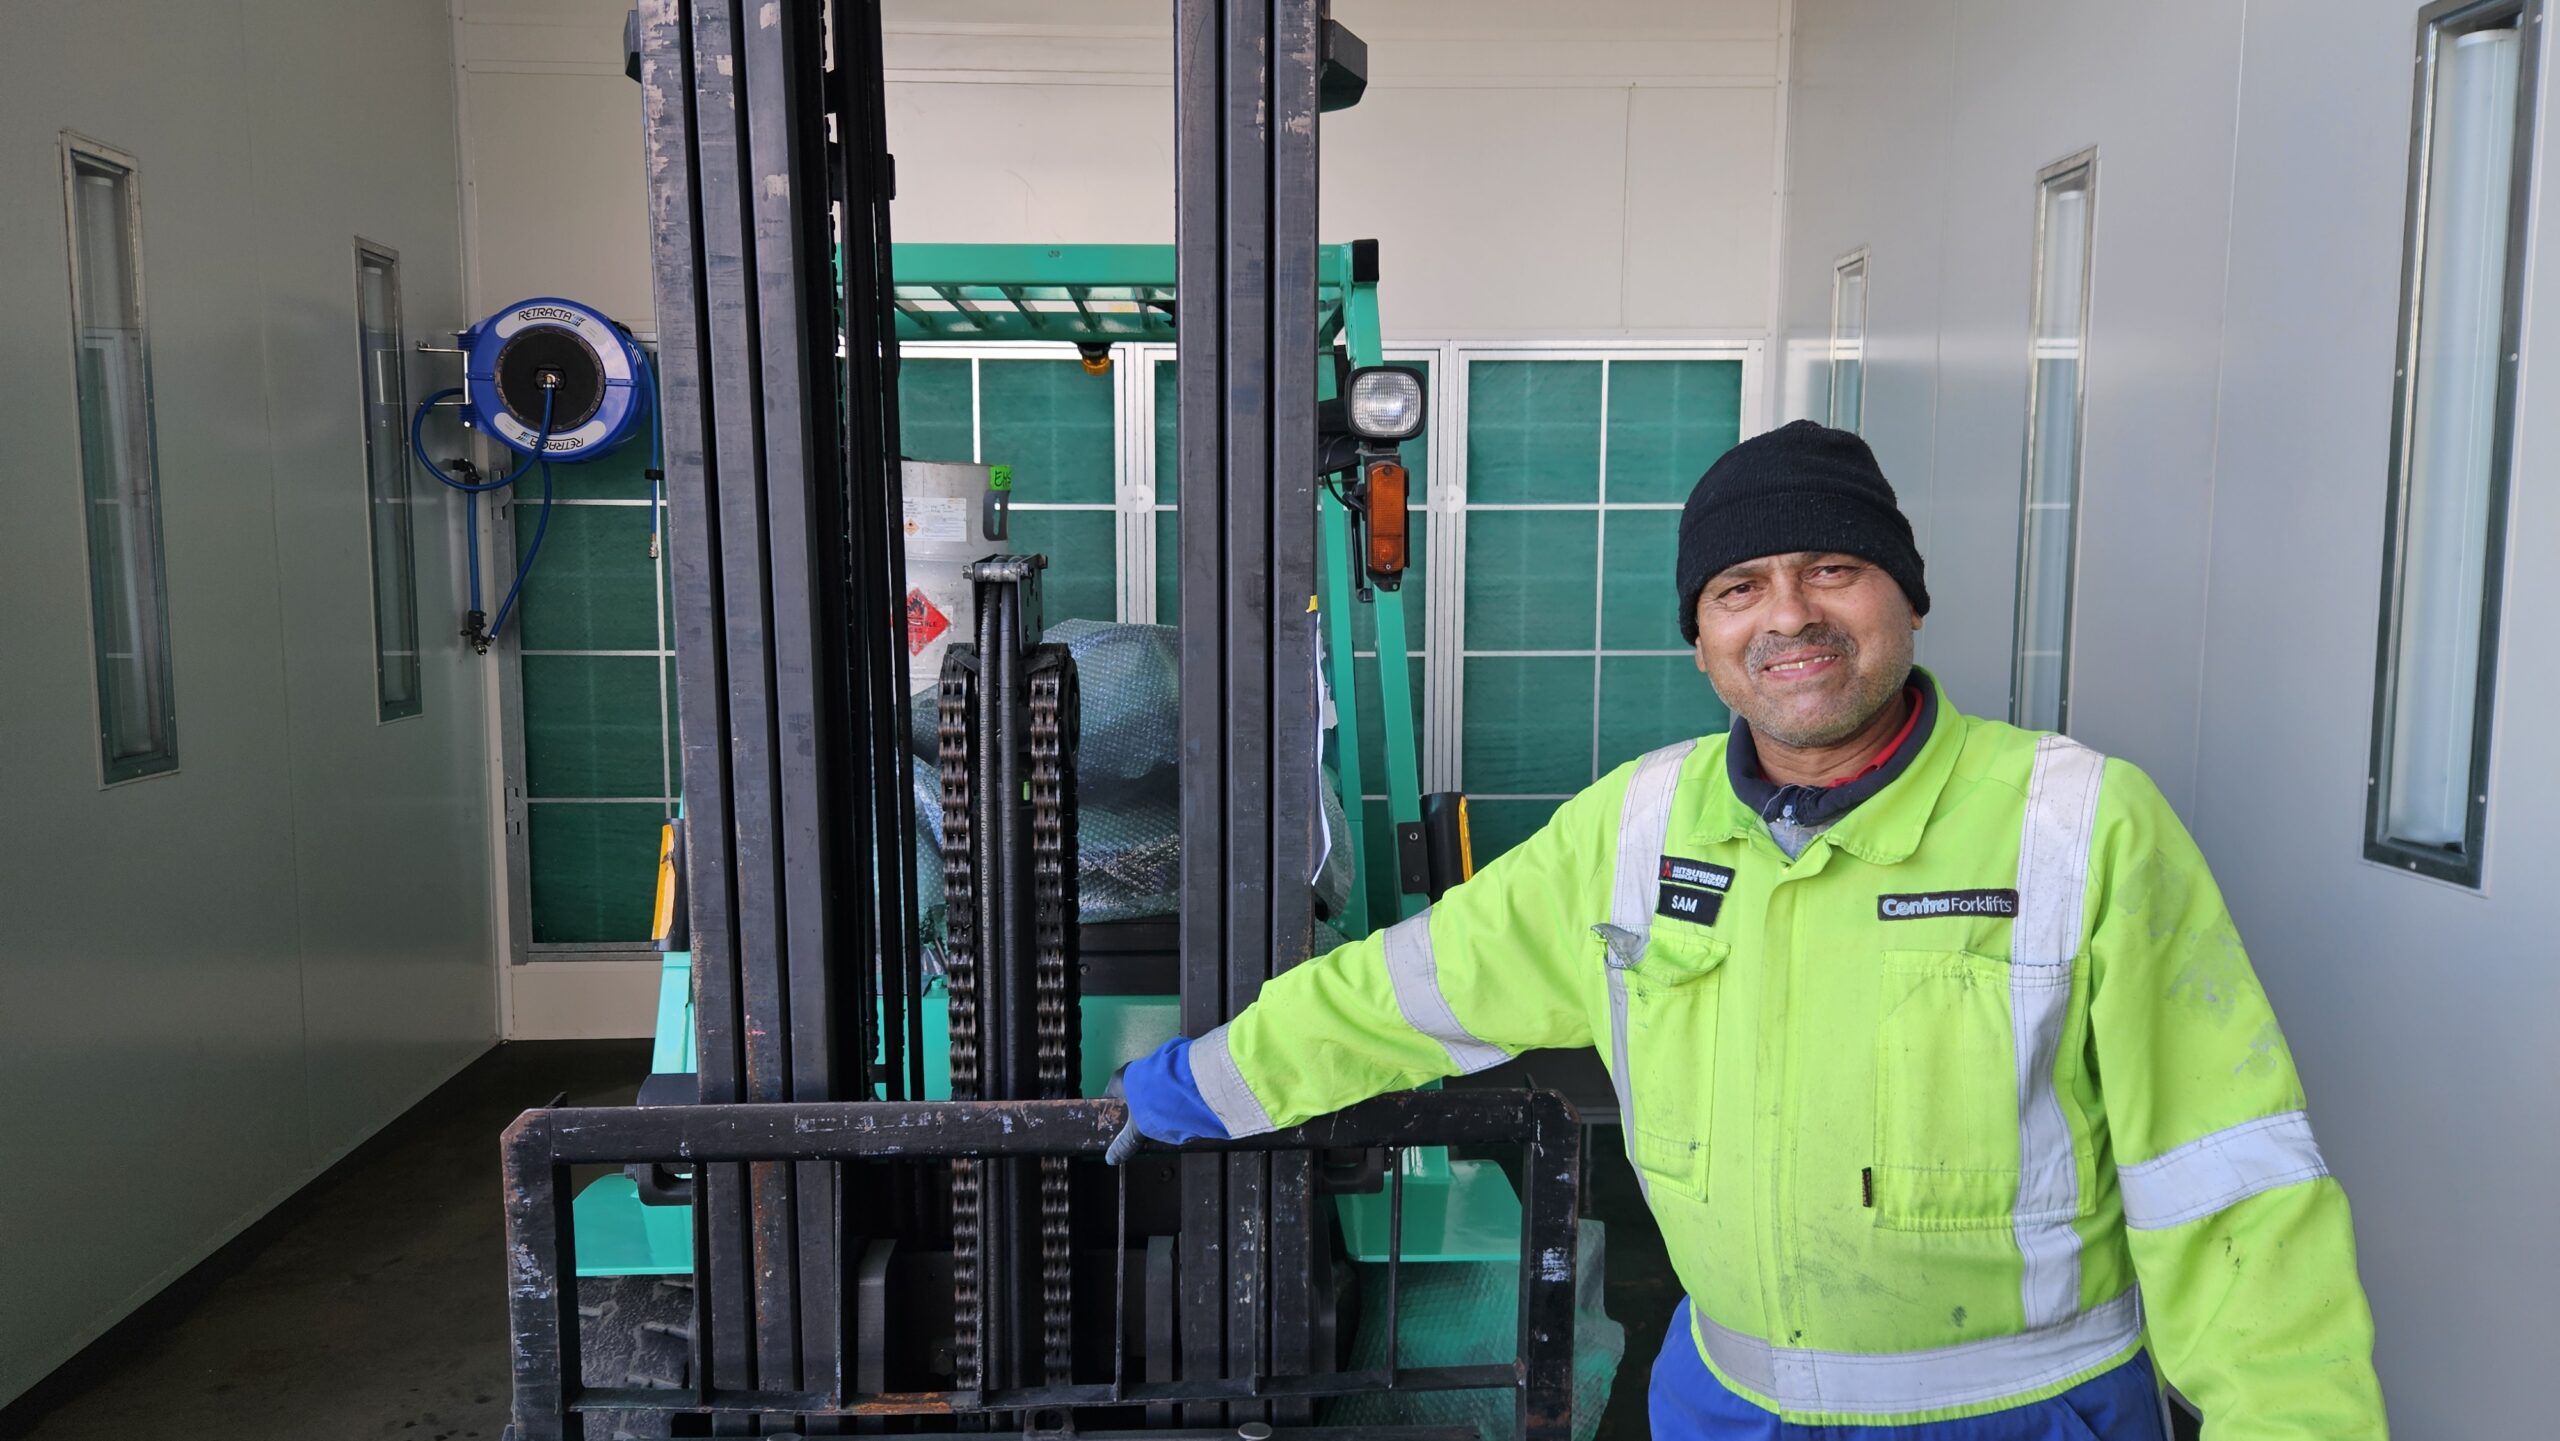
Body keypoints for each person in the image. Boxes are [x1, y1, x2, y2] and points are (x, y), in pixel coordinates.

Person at [1112, 420, 2387, 1439]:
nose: (1789, 615)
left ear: (1906, 601)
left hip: (2022, 1413)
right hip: (1727, 1405)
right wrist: (1202, 1083)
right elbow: (1411, 988)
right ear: (1705, 639)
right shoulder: (1636, 825)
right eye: (1741, 587)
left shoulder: (2081, 824)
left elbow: (2229, 1181)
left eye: (1832, 569)